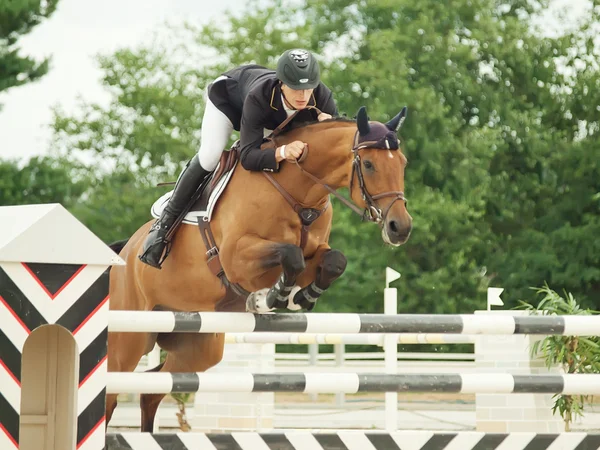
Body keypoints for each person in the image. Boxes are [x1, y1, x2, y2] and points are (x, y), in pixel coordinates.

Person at [139, 48, 339, 268]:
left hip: (269, 121)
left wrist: (329, 126)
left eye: (307, 89)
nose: (302, 96)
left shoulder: (322, 97)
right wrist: (281, 153)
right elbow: (248, 156)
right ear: (282, 83)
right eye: (295, 89)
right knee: (210, 155)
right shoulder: (260, 96)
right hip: (229, 102)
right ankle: (163, 226)